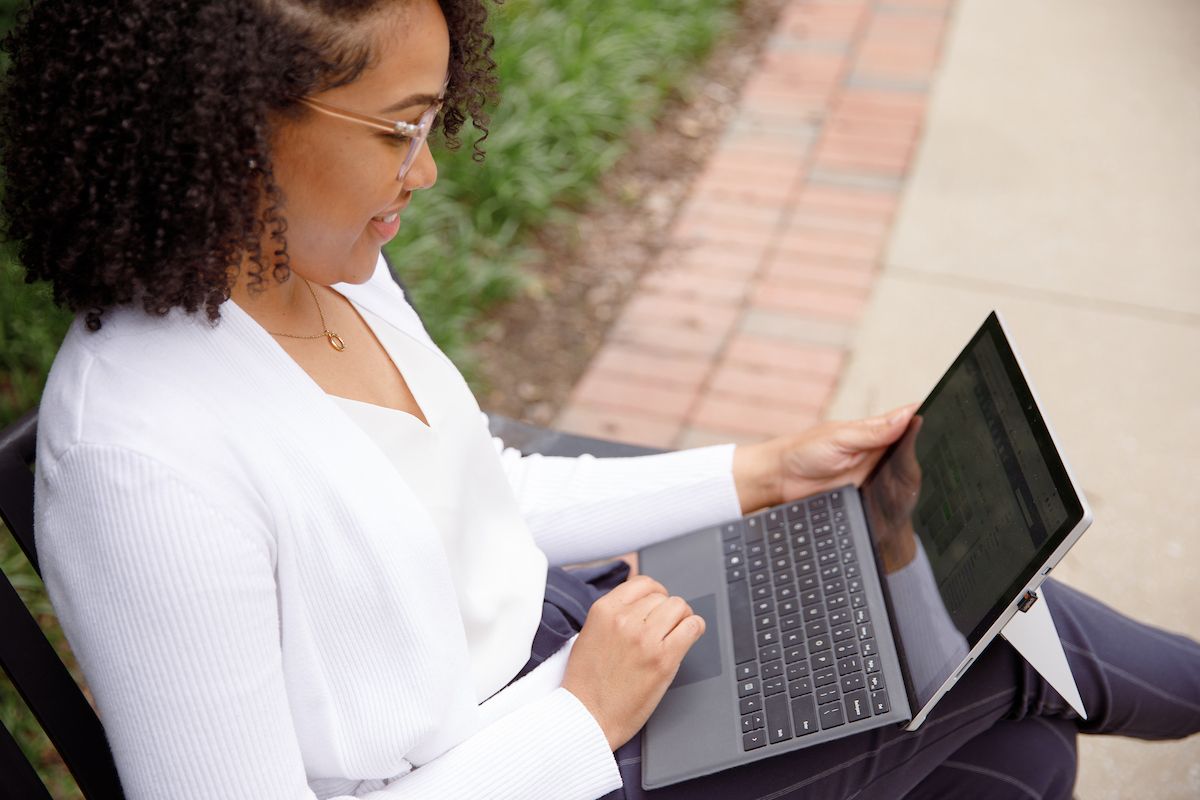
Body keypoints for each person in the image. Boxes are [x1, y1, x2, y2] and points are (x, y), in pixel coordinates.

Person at [2, 1, 1197, 798]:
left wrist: (761, 470)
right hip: (526, 753)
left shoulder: (318, 272)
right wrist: (578, 718)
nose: (425, 168)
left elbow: (479, 492)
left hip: (574, 654)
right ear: (223, 128)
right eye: (400, 129)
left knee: (1018, 748)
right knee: (990, 661)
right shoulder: (141, 453)